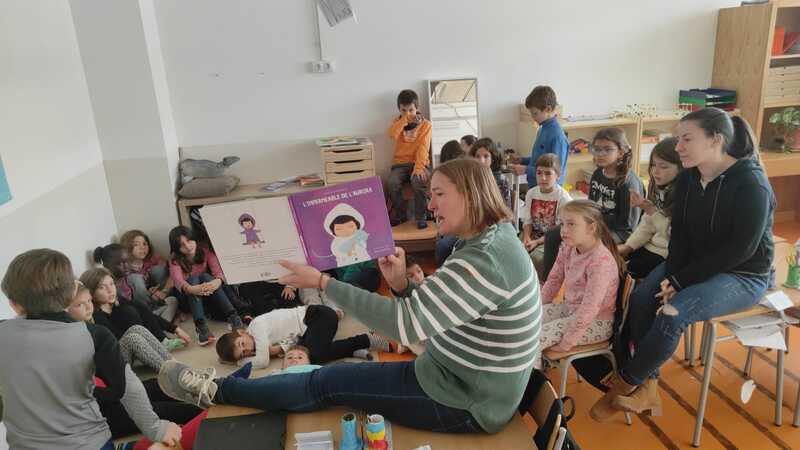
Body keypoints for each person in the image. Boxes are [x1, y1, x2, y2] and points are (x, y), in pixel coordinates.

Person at [157, 159, 541, 435]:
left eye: (439, 194)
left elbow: (406, 325)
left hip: (465, 402)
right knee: (330, 377)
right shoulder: (486, 242)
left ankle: (216, 390)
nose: (430, 205)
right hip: (452, 377)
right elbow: (434, 313)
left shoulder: (485, 258)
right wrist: (402, 286)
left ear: (471, 194)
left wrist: (323, 283)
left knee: (327, 383)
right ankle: (225, 388)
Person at [590, 109, 775, 422]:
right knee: (641, 299)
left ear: (715, 140)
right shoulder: (690, 177)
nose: (678, 147)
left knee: (672, 314)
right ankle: (649, 386)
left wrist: (680, 281)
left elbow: (740, 250)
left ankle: (625, 385)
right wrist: (674, 274)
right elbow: (681, 234)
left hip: (743, 274)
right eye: (678, 139)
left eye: (686, 139)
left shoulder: (751, 184)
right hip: (695, 264)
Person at [0, 249, 181, 449]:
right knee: (175, 436)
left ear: (14, 305)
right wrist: (156, 429)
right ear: (71, 293)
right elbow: (129, 390)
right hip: (89, 443)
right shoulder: (93, 334)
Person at [539, 128, 645, 281]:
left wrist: (592, 224)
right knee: (553, 234)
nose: (600, 154)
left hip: (619, 232)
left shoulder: (628, 182)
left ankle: (579, 283)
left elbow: (628, 225)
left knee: (580, 240)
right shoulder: (597, 174)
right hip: (596, 224)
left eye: (607, 149)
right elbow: (590, 206)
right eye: (597, 149)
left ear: (621, 152)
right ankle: (548, 280)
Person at [539, 200, 622, 353]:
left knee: (534, 338)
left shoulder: (600, 262)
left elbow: (590, 308)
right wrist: (539, 308)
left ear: (591, 228)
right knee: (528, 323)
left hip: (596, 323)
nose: (563, 230)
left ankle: (534, 368)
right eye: (562, 224)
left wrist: (567, 342)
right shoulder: (567, 248)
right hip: (571, 309)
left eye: (571, 224)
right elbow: (553, 281)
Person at [215, 304, 388, 368]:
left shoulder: (257, 327)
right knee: (302, 356)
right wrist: (277, 349)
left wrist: (238, 363)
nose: (247, 350)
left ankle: (366, 339)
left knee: (314, 356)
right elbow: (292, 342)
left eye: (242, 344)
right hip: (308, 331)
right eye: (243, 354)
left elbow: (263, 361)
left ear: (241, 332)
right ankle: (352, 350)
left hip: (319, 316)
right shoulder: (260, 341)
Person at [168, 225, 246, 345]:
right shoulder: (175, 260)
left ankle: (233, 317)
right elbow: (178, 281)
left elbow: (218, 272)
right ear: (176, 248)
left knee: (205, 276)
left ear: (194, 238)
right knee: (193, 279)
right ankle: (200, 326)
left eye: (189, 241)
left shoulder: (205, 251)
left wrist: (216, 282)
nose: (187, 246)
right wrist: (192, 289)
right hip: (188, 298)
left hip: (206, 293)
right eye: (182, 245)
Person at [618, 138, 683, 279]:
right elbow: (647, 224)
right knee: (613, 260)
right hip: (650, 244)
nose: (655, 171)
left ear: (681, 167)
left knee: (627, 271)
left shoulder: (683, 195)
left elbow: (672, 235)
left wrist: (652, 211)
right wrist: (629, 246)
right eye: (653, 165)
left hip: (666, 252)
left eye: (663, 167)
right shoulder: (658, 187)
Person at [81, 267, 189, 352]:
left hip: (145, 328)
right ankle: (158, 339)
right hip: (134, 348)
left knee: (168, 302)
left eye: (111, 284)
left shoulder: (118, 300)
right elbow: (121, 342)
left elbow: (144, 312)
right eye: (102, 287)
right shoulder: (97, 317)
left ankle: (162, 339)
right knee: (131, 311)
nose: (110, 290)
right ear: (90, 293)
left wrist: (176, 329)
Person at [521, 154, 572, 281]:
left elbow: (559, 231)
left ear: (558, 175)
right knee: (515, 251)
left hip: (552, 239)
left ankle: (539, 284)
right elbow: (527, 220)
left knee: (536, 259)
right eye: (539, 173)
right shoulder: (531, 193)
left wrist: (536, 242)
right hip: (533, 234)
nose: (543, 178)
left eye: (548, 173)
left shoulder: (563, 198)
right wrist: (527, 237)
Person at [387, 89, 433, 229]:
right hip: (400, 165)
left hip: (420, 163)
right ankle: (401, 215)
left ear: (417, 108)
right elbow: (392, 135)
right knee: (392, 183)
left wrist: (418, 168)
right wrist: (404, 120)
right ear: (399, 109)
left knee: (417, 181)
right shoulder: (397, 122)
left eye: (411, 110)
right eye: (404, 110)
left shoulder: (426, 125)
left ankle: (422, 216)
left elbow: (423, 148)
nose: (408, 113)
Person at [511, 85, 569, 187]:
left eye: (535, 113)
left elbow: (554, 171)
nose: (533, 117)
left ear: (548, 109)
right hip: (537, 187)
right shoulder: (542, 129)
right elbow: (541, 160)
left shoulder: (557, 136)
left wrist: (526, 170)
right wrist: (523, 160)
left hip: (549, 191)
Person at [120, 229, 178, 321]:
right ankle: (152, 316)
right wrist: (148, 294)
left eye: (144, 244)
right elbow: (127, 296)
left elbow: (172, 273)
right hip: (143, 305)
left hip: (160, 296)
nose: (142, 247)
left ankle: (160, 321)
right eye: (136, 245)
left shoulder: (152, 259)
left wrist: (161, 292)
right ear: (127, 248)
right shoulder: (125, 268)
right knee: (135, 278)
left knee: (172, 300)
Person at [470, 137, 512, 209]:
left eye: (486, 156)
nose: (481, 161)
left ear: (493, 158)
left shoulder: (500, 180)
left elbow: (506, 209)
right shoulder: (471, 177)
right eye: (477, 156)